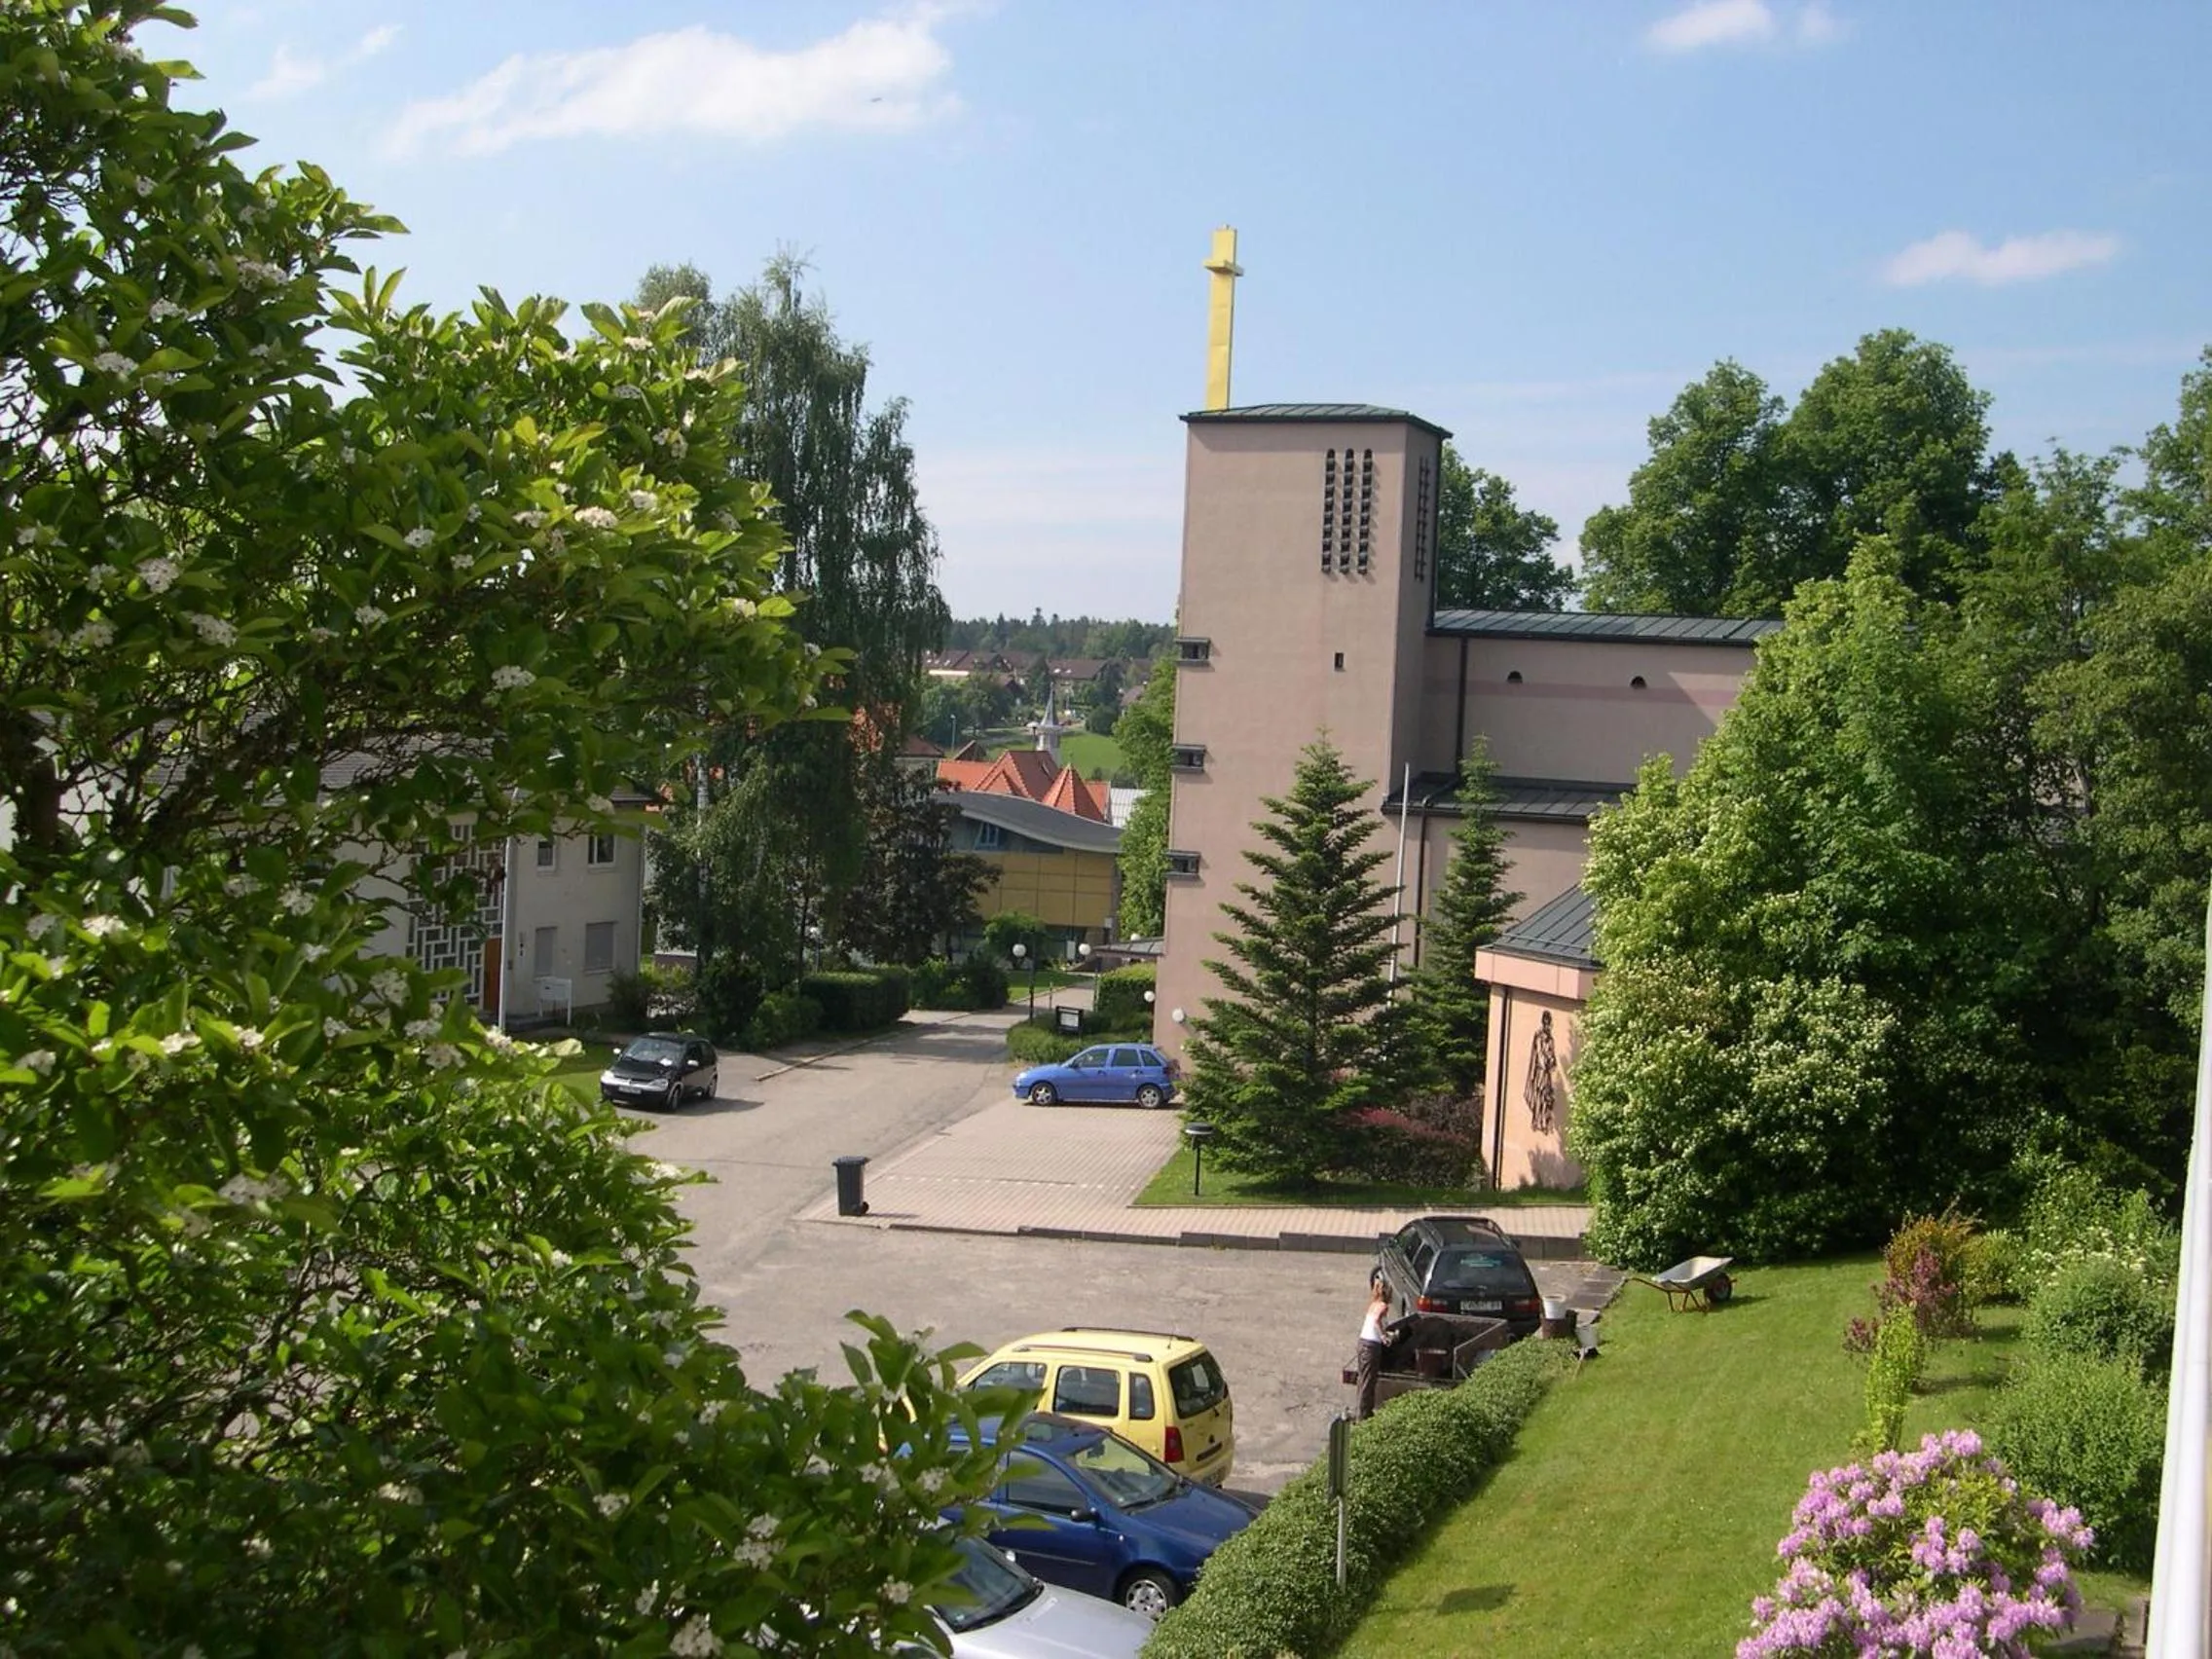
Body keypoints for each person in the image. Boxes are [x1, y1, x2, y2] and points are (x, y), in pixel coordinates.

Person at [1354, 1272, 1394, 1421]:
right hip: (1371, 1347)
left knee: (1362, 1379)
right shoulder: (1383, 1306)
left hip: (1363, 1343)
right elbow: (1377, 1321)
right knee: (1368, 1382)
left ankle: (1363, 1411)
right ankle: (1363, 1416)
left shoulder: (1373, 1304)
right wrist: (1384, 1336)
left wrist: (1385, 1332)